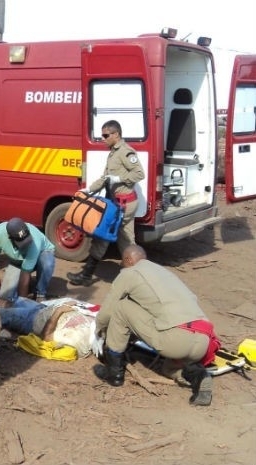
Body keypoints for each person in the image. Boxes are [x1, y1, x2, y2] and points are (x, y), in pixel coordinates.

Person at [93, 244, 218, 406]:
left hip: (176, 340)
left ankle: (114, 373)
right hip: (202, 341)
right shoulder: (163, 272)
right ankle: (199, 377)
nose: (122, 267)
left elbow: (107, 312)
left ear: (128, 260)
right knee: (168, 368)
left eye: (122, 264)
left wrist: (98, 330)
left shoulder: (130, 273)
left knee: (121, 307)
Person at [67, 120, 145, 286]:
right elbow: (104, 178)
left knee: (102, 236)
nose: (103, 138)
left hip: (124, 204)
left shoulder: (125, 152)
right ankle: (137, 277)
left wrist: (120, 178)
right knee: (126, 241)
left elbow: (139, 173)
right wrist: (89, 190)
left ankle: (87, 275)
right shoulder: (113, 153)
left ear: (116, 134)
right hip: (118, 204)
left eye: (106, 135)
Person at [0, 217, 56, 303]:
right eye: (21, 241)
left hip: (41, 255)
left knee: (47, 263)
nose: (25, 243)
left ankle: (40, 293)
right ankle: (26, 285)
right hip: (18, 261)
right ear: (10, 237)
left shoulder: (35, 242)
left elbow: (25, 272)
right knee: (6, 296)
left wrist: (23, 302)